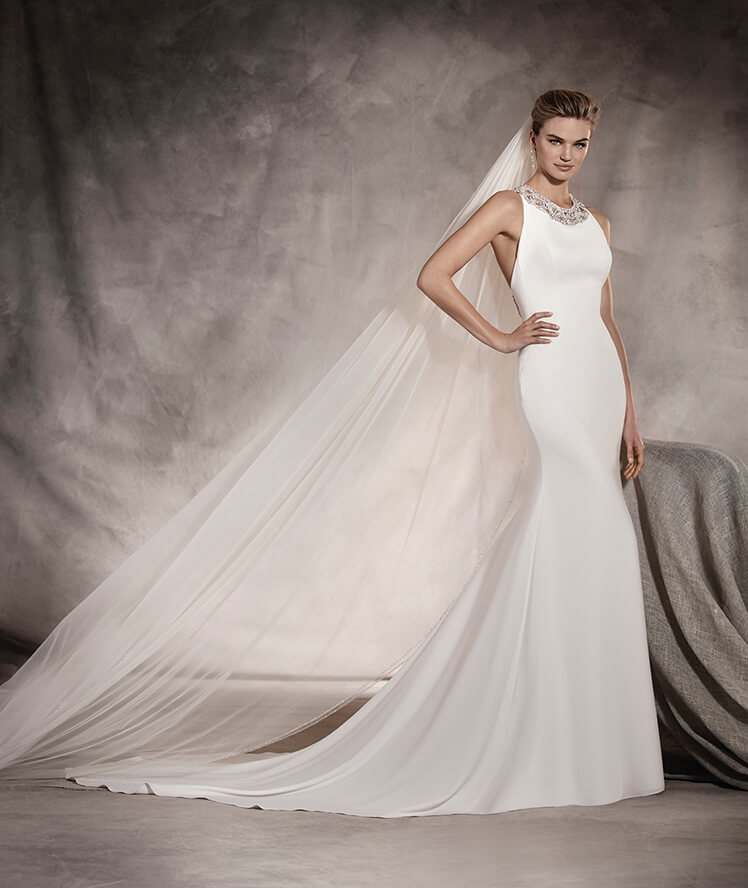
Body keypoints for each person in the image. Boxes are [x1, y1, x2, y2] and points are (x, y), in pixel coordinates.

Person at [0, 89, 665, 817]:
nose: (567, 155)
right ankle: (532, 729)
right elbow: (432, 275)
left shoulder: (598, 222)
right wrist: (503, 338)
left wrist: (630, 412)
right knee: (566, 524)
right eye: (556, 141)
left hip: (599, 390)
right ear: (533, 140)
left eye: (579, 144)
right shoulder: (510, 209)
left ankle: (581, 732)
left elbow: (606, 319)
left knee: (595, 540)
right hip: (552, 385)